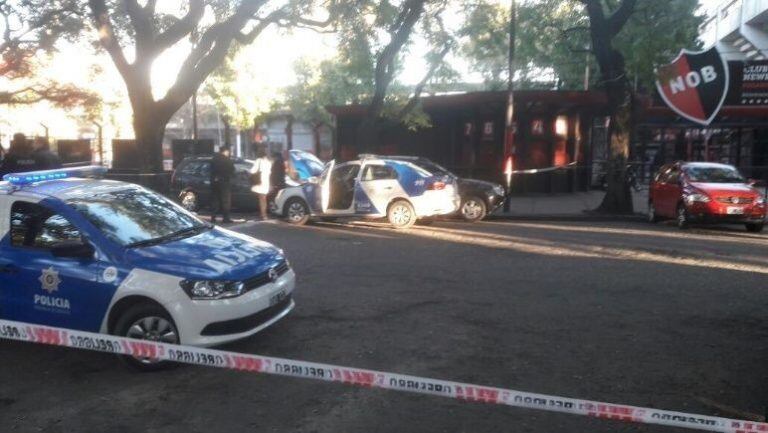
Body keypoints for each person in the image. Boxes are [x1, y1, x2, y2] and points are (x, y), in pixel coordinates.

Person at [210, 145, 235, 224]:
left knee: (215, 199)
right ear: (225, 151)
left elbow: (211, 170)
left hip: (214, 181)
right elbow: (232, 170)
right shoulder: (227, 160)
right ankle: (226, 218)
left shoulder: (214, 159)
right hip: (224, 182)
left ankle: (213, 217)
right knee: (225, 200)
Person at [251, 147, 272, 220]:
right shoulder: (269, 161)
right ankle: (264, 214)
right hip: (266, 181)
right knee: (264, 199)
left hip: (260, 182)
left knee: (261, 199)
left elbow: (253, 171)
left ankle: (263, 214)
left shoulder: (258, 160)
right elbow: (269, 172)